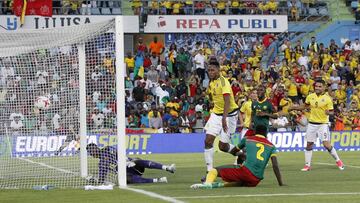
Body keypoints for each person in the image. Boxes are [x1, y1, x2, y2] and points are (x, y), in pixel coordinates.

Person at [190, 124, 284, 189]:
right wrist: (280, 183)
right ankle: (218, 185)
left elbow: (234, 151)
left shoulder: (247, 139)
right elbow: (275, 165)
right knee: (240, 182)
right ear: (266, 133)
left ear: (255, 132)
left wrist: (242, 155)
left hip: (246, 172)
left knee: (213, 171)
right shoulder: (271, 146)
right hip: (256, 180)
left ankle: (207, 183)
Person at [288, 79, 344, 171]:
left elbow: (332, 112)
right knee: (309, 144)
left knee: (326, 144)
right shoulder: (310, 96)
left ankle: (338, 160)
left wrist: (328, 113)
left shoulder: (327, 99)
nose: (317, 88)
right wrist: (294, 107)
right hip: (312, 124)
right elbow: (305, 107)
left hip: (323, 124)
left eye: (319, 86)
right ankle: (307, 165)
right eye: (316, 86)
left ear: (324, 87)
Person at [203, 59, 240, 173]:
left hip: (229, 116)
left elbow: (227, 102)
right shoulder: (211, 82)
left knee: (223, 146)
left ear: (218, 70)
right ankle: (210, 170)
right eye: (208, 70)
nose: (210, 72)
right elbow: (211, 95)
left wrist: (224, 119)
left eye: (213, 70)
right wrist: (209, 98)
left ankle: (242, 154)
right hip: (216, 114)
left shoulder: (224, 82)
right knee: (208, 141)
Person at [86, 143, 176, 184]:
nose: (92, 153)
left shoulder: (107, 149)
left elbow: (119, 153)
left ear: (96, 148)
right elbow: (101, 180)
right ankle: (158, 180)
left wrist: (127, 160)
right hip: (127, 174)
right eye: (90, 152)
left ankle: (167, 168)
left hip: (131, 165)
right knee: (127, 179)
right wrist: (93, 180)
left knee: (136, 160)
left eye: (92, 150)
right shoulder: (101, 164)